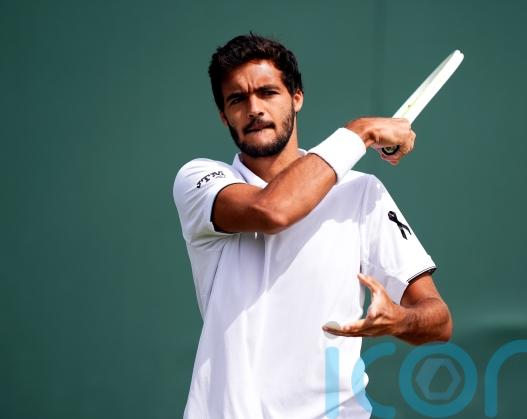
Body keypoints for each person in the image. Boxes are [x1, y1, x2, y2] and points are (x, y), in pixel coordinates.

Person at [173, 33, 452, 419]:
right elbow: (273, 211)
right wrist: (360, 132)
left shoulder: (361, 191)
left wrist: (399, 320)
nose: (254, 108)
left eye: (268, 92)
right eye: (237, 99)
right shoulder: (199, 181)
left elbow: (438, 321)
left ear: (296, 97)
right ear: (224, 115)